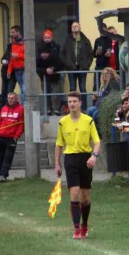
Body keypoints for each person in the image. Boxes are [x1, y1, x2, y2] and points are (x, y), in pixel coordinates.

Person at [54, 91, 101, 240]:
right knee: (74, 192)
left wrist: (94, 155)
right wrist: (57, 164)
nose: (72, 104)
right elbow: (59, 144)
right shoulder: (63, 122)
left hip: (85, 159)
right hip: (70, 159)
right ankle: (76, 229)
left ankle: (84, 225)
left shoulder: (88, 121)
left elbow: (97, 141)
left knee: (85, 197)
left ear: (80, 103)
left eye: (74, 101)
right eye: (70, 102)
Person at [61, 22, 94, 111]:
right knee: (72, 89)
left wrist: (87, 65)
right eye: (73, 26)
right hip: (71, 68)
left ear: (80, 28)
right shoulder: (67, 40)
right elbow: (62, 53)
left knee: (83, 88)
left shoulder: (85, 40)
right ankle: (72, 108)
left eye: (76, 26)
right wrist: (67, 64)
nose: (74, 27)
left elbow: (91, 54)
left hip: (82, 68)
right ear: (71, 28)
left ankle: (83, 109)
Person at [0, 92, 24, 182]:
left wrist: (16, 137)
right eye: (9, 98)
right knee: (0, 157)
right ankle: (2, 174)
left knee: (8, 157)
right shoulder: (4, 108)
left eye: (12, 98)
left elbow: (21, 125)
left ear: (16, 99)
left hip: (11, 138)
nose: (10, 99)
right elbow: (0, 121)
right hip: (0, 136)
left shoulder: (21, 109)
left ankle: (3, 175)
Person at [7, 26, 26, 103]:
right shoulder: (13, 44)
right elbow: (12, 59)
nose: (11, 34)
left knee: (25, 89)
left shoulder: (26, 43)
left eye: (13, 32)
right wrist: (9, 70)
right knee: (22, 89)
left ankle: (25, 107)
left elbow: (30, 56)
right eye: (11, 32)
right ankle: (23, 107)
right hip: (16, 69)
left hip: (24, 69)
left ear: (18, 32)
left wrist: (18, 56)